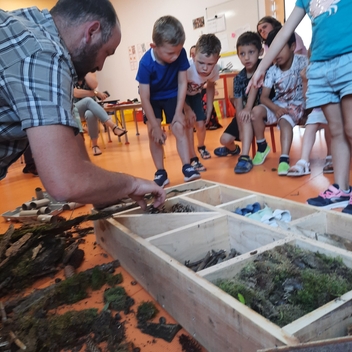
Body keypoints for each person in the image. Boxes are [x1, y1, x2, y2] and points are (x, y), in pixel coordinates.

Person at [0, 0, 165, 211]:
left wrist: (103, 194)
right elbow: (65, 181)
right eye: (107, 52)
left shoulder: (35, 25)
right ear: (92, 31)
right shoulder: (45, 55)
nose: (101, 65)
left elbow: (68, 132)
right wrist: (132, 184)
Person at [248, 1, 352, 214]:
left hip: (348, 60)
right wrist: (262, 67)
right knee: (337, 130)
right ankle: (342, 189)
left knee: (350, 128)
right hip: (320, 66)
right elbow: (285, 31)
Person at [136, 15, 200, 187]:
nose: (176, 56)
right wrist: (156, 127)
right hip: (153, 99)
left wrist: (179, 111)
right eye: (171, 53)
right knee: (153, 133)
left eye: (179, 51)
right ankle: (161, 172)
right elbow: (144, 97)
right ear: (154, 47)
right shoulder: (145, 63)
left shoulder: (180, 54)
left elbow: (182, 83)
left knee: (180, 127)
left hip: (172, 94)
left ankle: (187, 167)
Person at [250, 28, 308, 175]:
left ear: (293, 47)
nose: (276, 54)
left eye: (280, 48)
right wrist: (275, 108)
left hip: (298, 104)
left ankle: (284, 159)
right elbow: (264, 97)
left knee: (284, 120)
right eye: (273, 50)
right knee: (256, 112)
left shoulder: (303, 62)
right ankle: (262, 147)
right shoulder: (272, 71)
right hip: (278, 104)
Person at [214, 32, 265, 173]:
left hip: (260, 112)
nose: (246, 57)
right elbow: (238, 105)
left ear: (260, 52)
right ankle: (234, 149)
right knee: (224, 140)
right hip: (243, 114)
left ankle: (245, 156)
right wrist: (241, 129)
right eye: (242, 54)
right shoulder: (238, 78)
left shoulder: (265, 68)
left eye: (251, 52)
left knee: (247, 115)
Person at [184, 34, 221, 172]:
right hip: (181, 97)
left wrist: (210, 106)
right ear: (193, 56)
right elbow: (177, 90)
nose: (205, 68)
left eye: (210, 64)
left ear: (217, 60)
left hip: (195, 96)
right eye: (200, 63)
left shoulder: (215, 70)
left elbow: (210, 85)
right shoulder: (186, 68)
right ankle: (192, 158)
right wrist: (187, 109)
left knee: (201, 124)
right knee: (188, 125)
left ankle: (201, 146)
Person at [74, 73, 127, 156]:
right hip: (75, 109)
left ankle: (95, 146)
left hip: (90, 109)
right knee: (88, 100)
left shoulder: (89, 73)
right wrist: (95, 93)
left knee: (90, 113)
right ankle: (113, 126)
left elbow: (94, 84)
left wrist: (85, 70)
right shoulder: (70, 73)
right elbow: (76, 93)